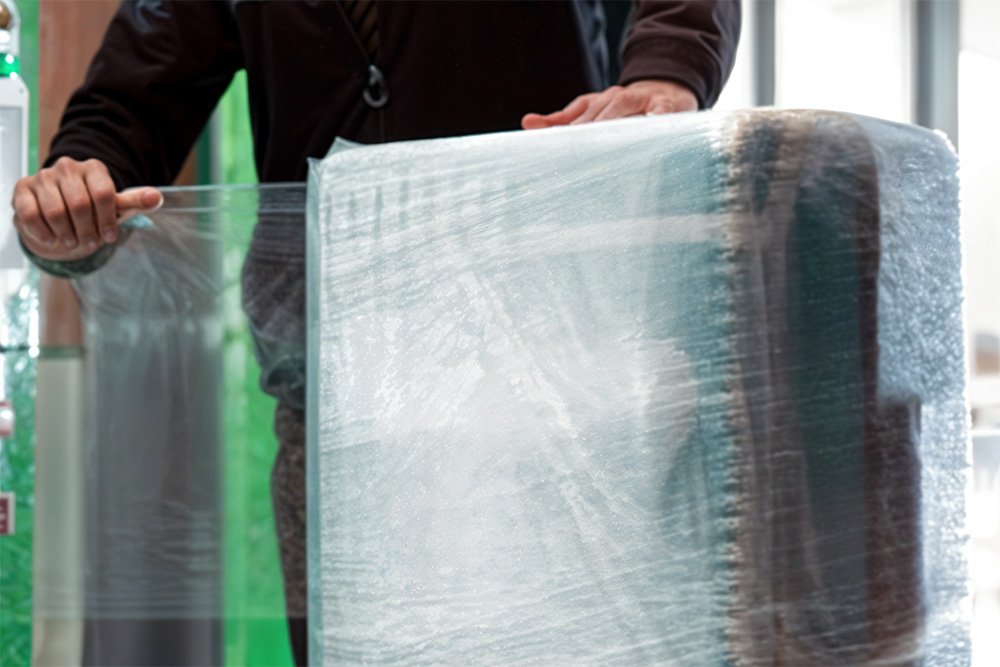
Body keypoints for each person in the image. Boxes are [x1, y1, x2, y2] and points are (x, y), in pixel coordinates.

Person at [13, 1, 740, 664]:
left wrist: (670, 71)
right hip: (336, 411)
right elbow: (125, 108)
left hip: (559, 390)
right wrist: (72, 192)